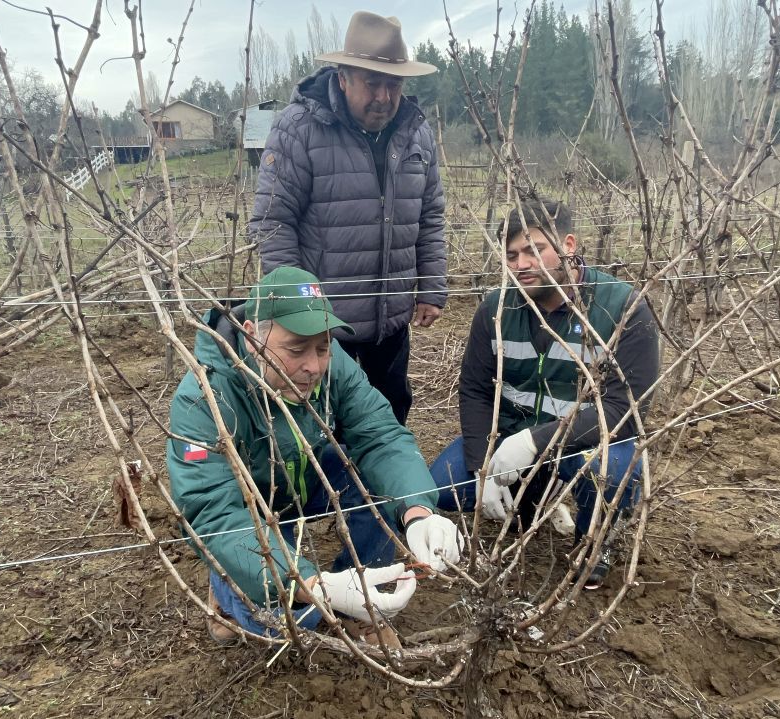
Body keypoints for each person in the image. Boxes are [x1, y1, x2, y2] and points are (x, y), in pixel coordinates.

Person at [168, 267, 462, 645]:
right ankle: (233, 588)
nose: (314, 365)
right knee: (286, 621)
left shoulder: (330, 362)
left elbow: (380, 436)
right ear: (251, 335)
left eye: (323, 347)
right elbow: (212, 510)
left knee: (368, 474)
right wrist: (311, 584)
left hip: (309, 476)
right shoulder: (203, 397)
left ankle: (361, 592)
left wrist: (419, 511)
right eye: (296, 349)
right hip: (250, 505)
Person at [429, 199, 660, 587]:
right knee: (442, 489)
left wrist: (535, 443)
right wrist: (480, 464)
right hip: (508, 436)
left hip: (584, 442)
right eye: (512, 255)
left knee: (613, 472)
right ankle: (530, 503)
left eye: (535, 250)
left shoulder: (623, 307)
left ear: (568, 246)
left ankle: (595, 540)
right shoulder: (496, 309)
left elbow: (627, 409)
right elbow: (474, 389)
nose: (521, 264)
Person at [250, 10, 446, 425]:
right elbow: (273, 222)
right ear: (342, 77)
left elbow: (429, 216)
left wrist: (431, 287)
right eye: (371, 83)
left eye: (393, 84)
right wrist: (302, 311)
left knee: (390, 414)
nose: (383, 96)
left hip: (390, 321)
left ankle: (385, 490)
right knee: (326, 425)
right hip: (325, 328)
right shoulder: (299, 128)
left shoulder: (416, 132)